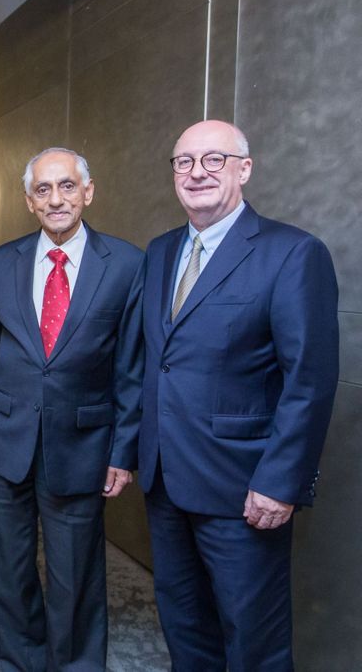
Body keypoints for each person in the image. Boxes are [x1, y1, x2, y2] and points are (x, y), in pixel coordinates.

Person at [139, 120, 339, 670]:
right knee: (186, 632)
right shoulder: (159, 252)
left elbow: (310, 381)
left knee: (254, 643)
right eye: (184, 161)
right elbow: (156, 362)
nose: (197, 171)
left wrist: (280, 483)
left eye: (214, 159)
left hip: (244, 490)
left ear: (244, 169)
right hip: (165, 484)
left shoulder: (292, 253)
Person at [0, 148, 143, 671]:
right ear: (28, 200)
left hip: (83, 445)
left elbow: (131, 369)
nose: (56, 199)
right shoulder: (6, 259)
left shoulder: (128, 264)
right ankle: (21, 662)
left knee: (76, 575)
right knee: (9, 570)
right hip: (6, 440)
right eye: (43, 190)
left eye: (67, 186)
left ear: (88, 192)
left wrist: (123, 450)